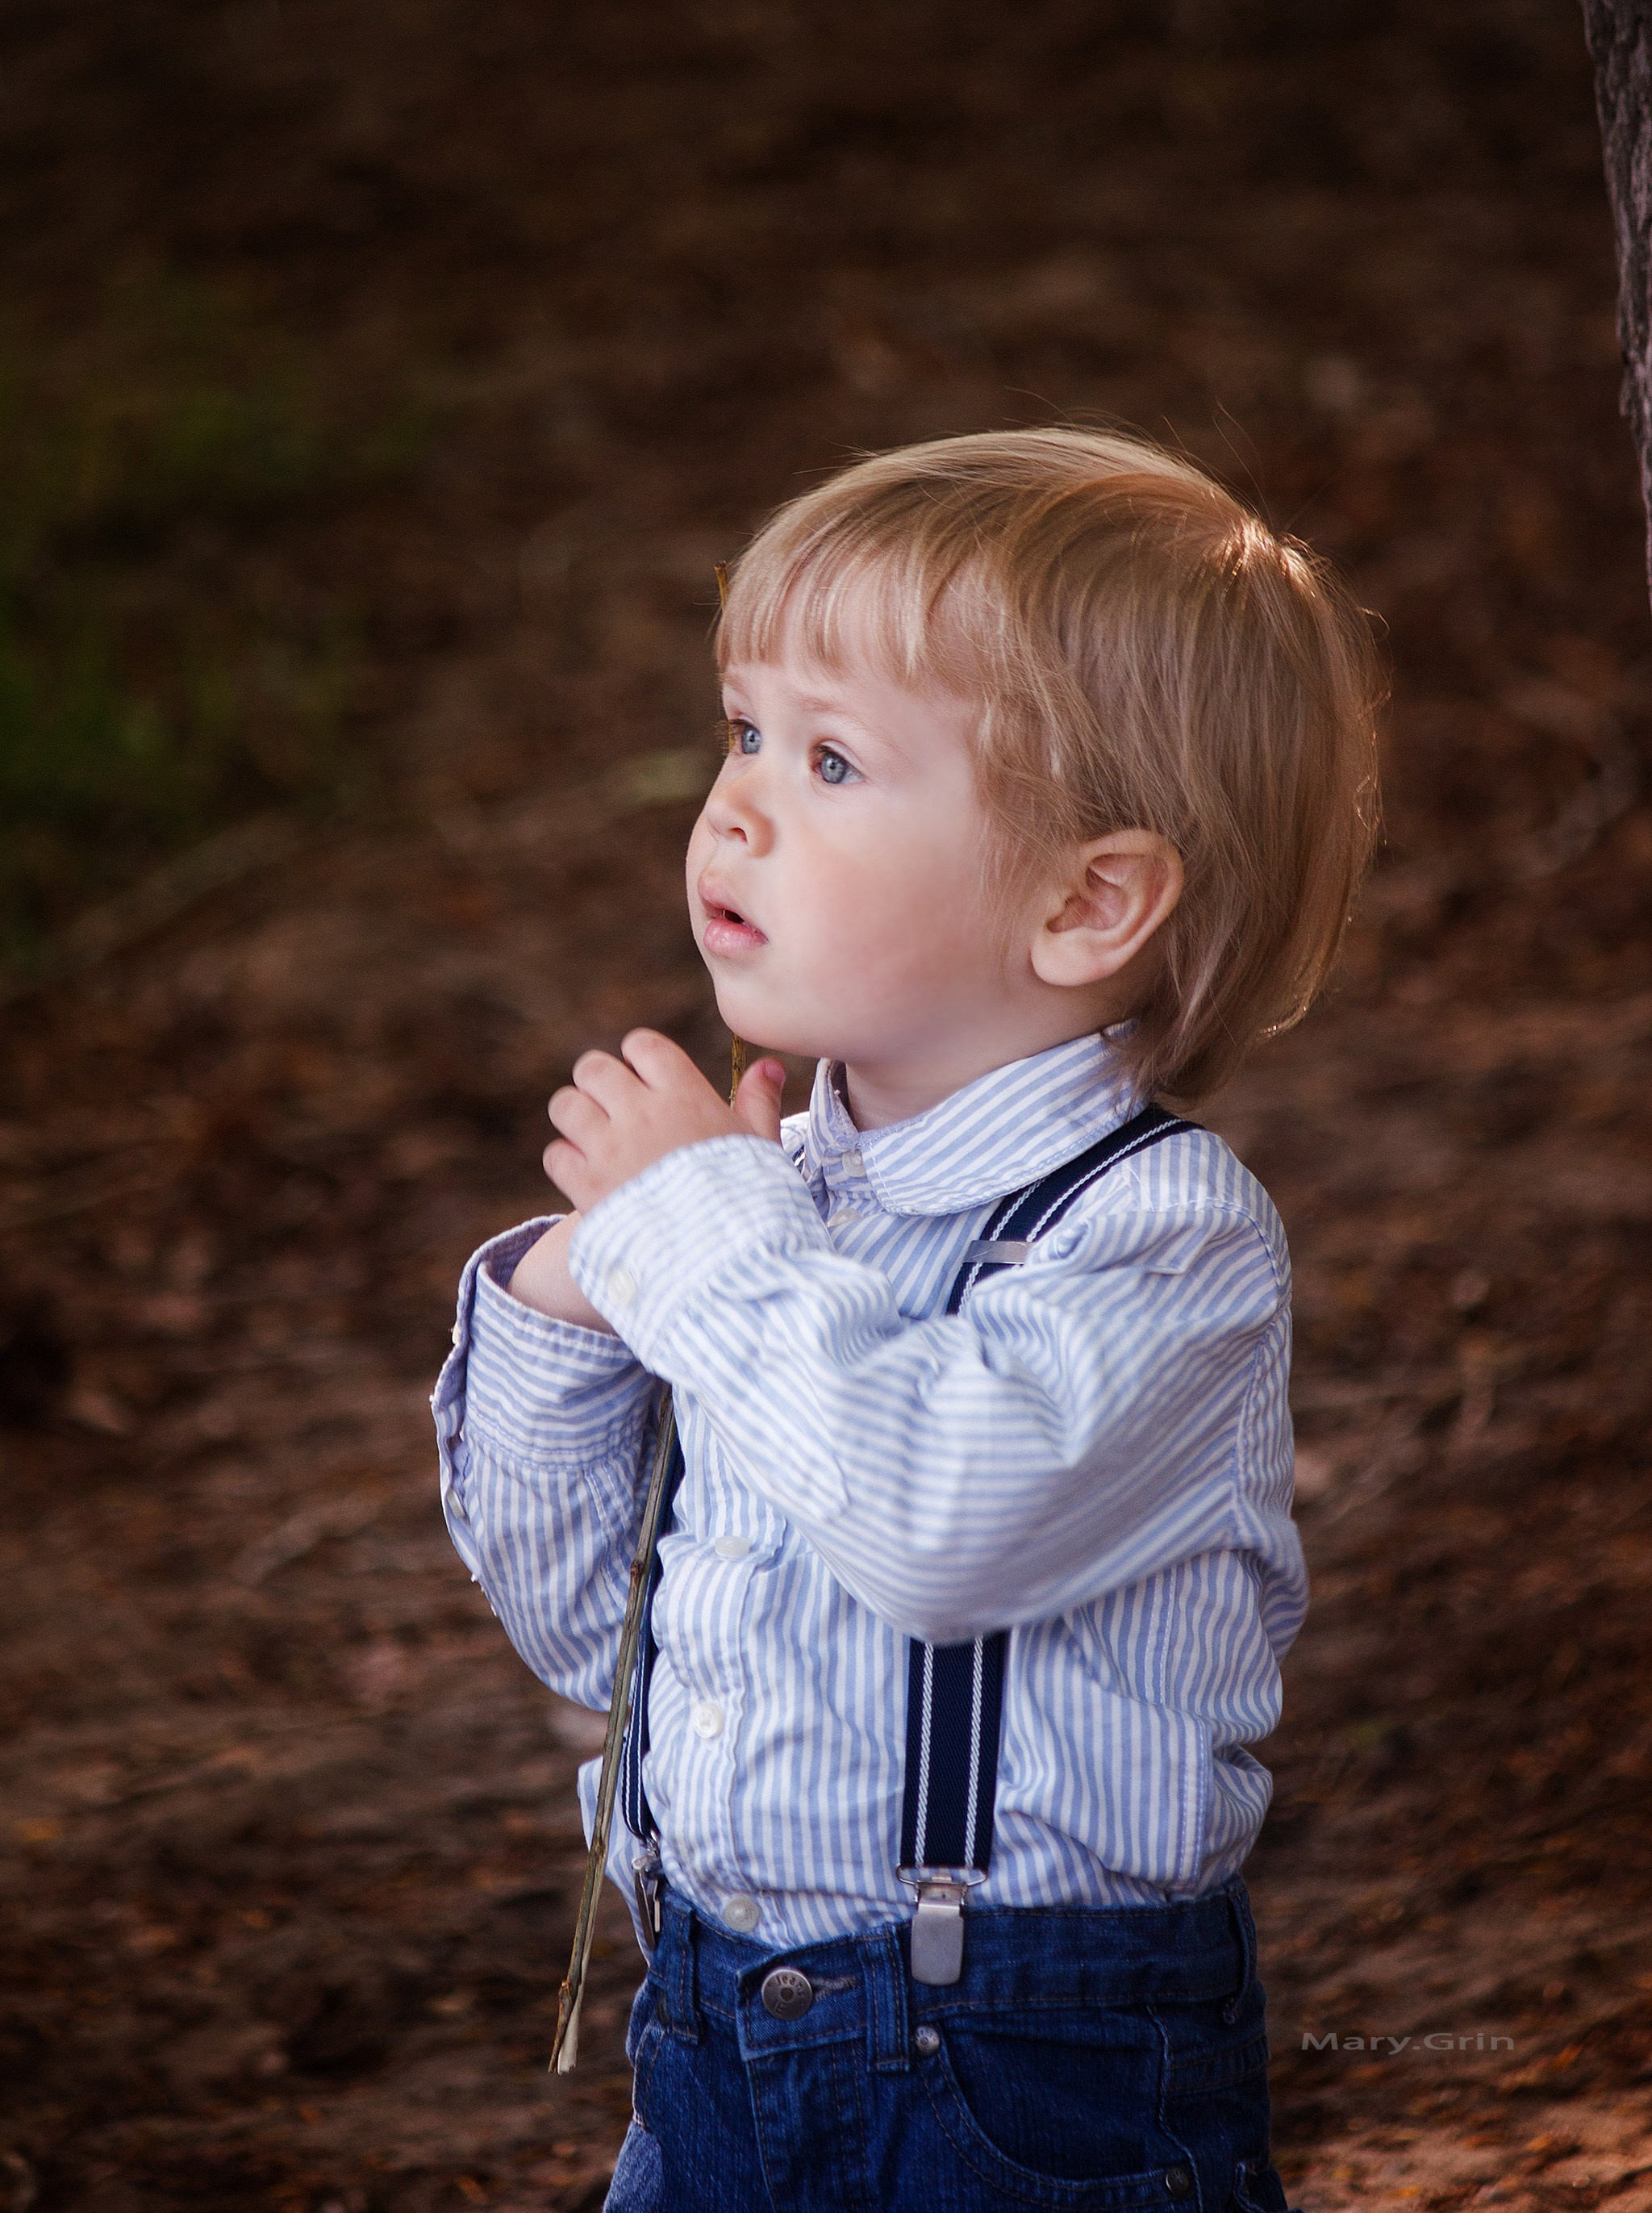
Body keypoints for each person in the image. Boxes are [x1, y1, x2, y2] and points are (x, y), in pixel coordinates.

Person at [432, 426, 1380, 2213]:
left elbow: (941, 1519)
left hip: (1021, 2082)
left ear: (1085, 898)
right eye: (741, 731)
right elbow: (605, 1644)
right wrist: (570, 1306)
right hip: (707, 2043)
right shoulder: (771, 1214)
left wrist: (694, 1231)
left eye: (834, 758)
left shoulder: (1156, 1235)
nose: (737, 805)